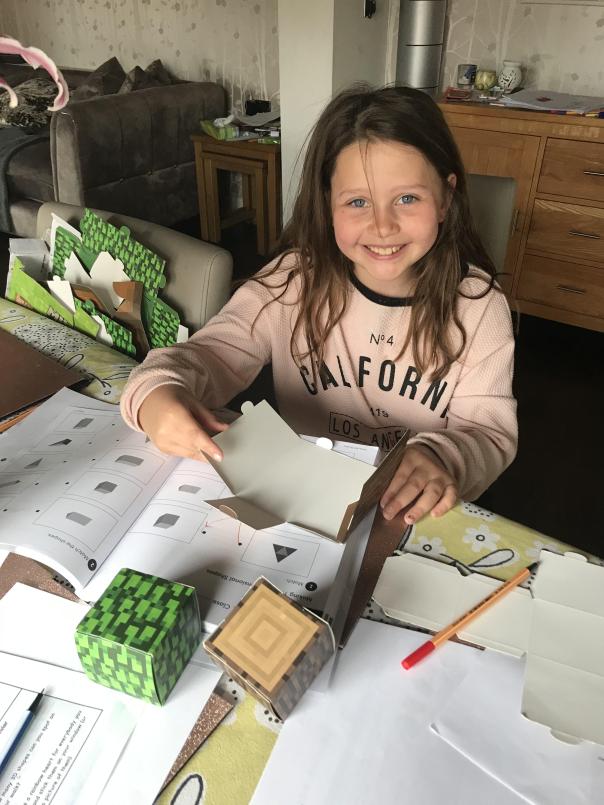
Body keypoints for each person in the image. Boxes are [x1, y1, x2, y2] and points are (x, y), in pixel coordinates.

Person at [120, 85, 517, 527]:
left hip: (408, 514)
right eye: (357, 202)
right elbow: (210, 355)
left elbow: (489, 432)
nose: (382, 226)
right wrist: (157, 395)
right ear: (328, 204)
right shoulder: (291, 281)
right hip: (300, 503)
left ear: (445, 198)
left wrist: (442, 457)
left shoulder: (479, 307)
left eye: (407, 198)